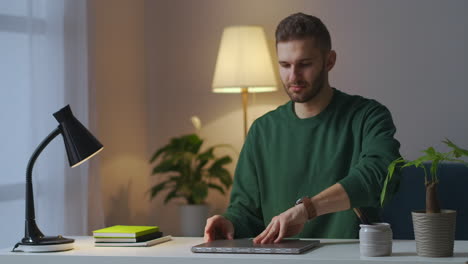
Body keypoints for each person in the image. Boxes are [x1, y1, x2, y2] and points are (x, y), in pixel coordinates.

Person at [204, 12, 400, 244]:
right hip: (281, 258)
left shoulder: (368, 116)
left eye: (304, 64)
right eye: (285, 65)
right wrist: (230, 222)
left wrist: (308, 209)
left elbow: (380, 175)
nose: (293, 76)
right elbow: (245, 212)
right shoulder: (262, 130)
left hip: (349, 256)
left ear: (329, 61)